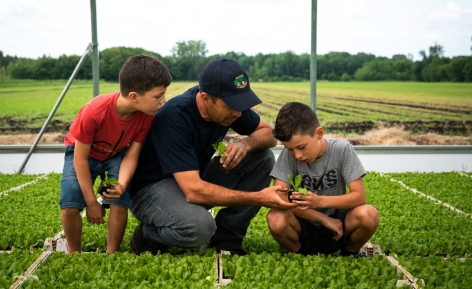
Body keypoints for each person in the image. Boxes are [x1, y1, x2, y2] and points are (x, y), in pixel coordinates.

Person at [128, 58, 296, 256]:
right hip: (151, 188)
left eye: (241, 104)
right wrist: (258, 198)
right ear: (206, 98)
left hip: (191, 175)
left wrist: (245, 144)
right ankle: (147, 236)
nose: (238, 113)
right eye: (231, 106)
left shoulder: (230, 110)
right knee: (199, 227)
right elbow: (193, 191)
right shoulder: (174, 117)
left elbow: (269, 133)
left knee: (263, 158)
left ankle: (227, 240)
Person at [59, 55, 172, 254]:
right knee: (69, 203)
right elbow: (80, 158)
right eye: (158, 96)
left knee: (119, 201)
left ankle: (112, 253)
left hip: (117, 153)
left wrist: (122, 185)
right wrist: (92, 201)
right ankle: (73, 253)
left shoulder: (146, 116)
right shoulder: (94, 112)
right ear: (135, 96)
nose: (163, 100)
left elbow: (131, 156)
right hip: (83, 154)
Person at [267, 102, 379, 257]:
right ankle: (302, 254)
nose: (297, 155)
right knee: (275, 218)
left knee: (369, 215)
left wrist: (319, 202)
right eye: (290, 149)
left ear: (319, 133)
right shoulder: (289, 156)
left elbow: (359, 196)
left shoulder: (341, 149)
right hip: (303, 225)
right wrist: (322, 218)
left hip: (339, 223)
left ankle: (350, 253)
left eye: (301, 147)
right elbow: (280, 199)